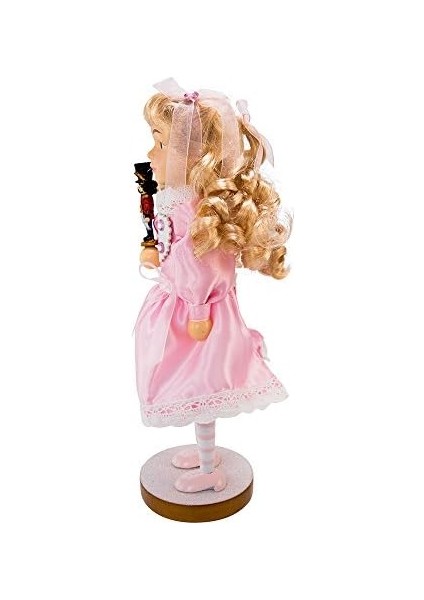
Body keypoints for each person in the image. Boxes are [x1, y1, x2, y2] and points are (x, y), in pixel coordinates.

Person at [133, 77, 293, 493]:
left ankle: (209, 470)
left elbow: (204, 267)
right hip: (179, 306)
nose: (151, 153)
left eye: (160, 142)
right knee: (187, 386)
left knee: (200, 383)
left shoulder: (200, 212)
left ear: (190, 155)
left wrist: (199, 308)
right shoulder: (175, 199)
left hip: (198, 316)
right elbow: (168, 243)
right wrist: (153, 252)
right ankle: (206, 453)